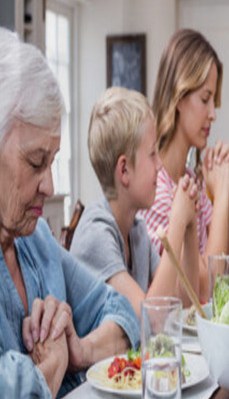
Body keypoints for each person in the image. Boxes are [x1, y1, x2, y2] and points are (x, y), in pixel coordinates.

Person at [0, 28, 139, 399]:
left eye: (53, 161)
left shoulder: (34, 237)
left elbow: (122, 311)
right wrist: (52, 364)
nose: (50, 185)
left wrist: (79, 351)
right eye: (36, 162)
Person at [70, 87, 200, 316]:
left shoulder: (137, 230)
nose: (160, 164)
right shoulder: (95, 234)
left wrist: (190, 228)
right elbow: (150, 320)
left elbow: (186, 304)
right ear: (124, 170)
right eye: (152, 154)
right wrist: (177, 222)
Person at [141, 29, 229, 298]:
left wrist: (226, 189)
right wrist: (221, 194)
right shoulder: (158, 190)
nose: (213, 114)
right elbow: (206, 290)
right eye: (205, 99)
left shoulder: (187, 179)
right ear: (178, 97)